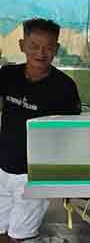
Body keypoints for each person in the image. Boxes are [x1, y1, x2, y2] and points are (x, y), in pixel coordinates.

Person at [0, 19, 81, 243]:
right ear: (22, 45)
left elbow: (71, 133)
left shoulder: (64, 87)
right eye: (34, 45)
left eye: (48, 47)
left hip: (34, 174)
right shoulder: (7, 76)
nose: (41, 53)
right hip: (3, 168)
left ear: (56, 48)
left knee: (20, 237)